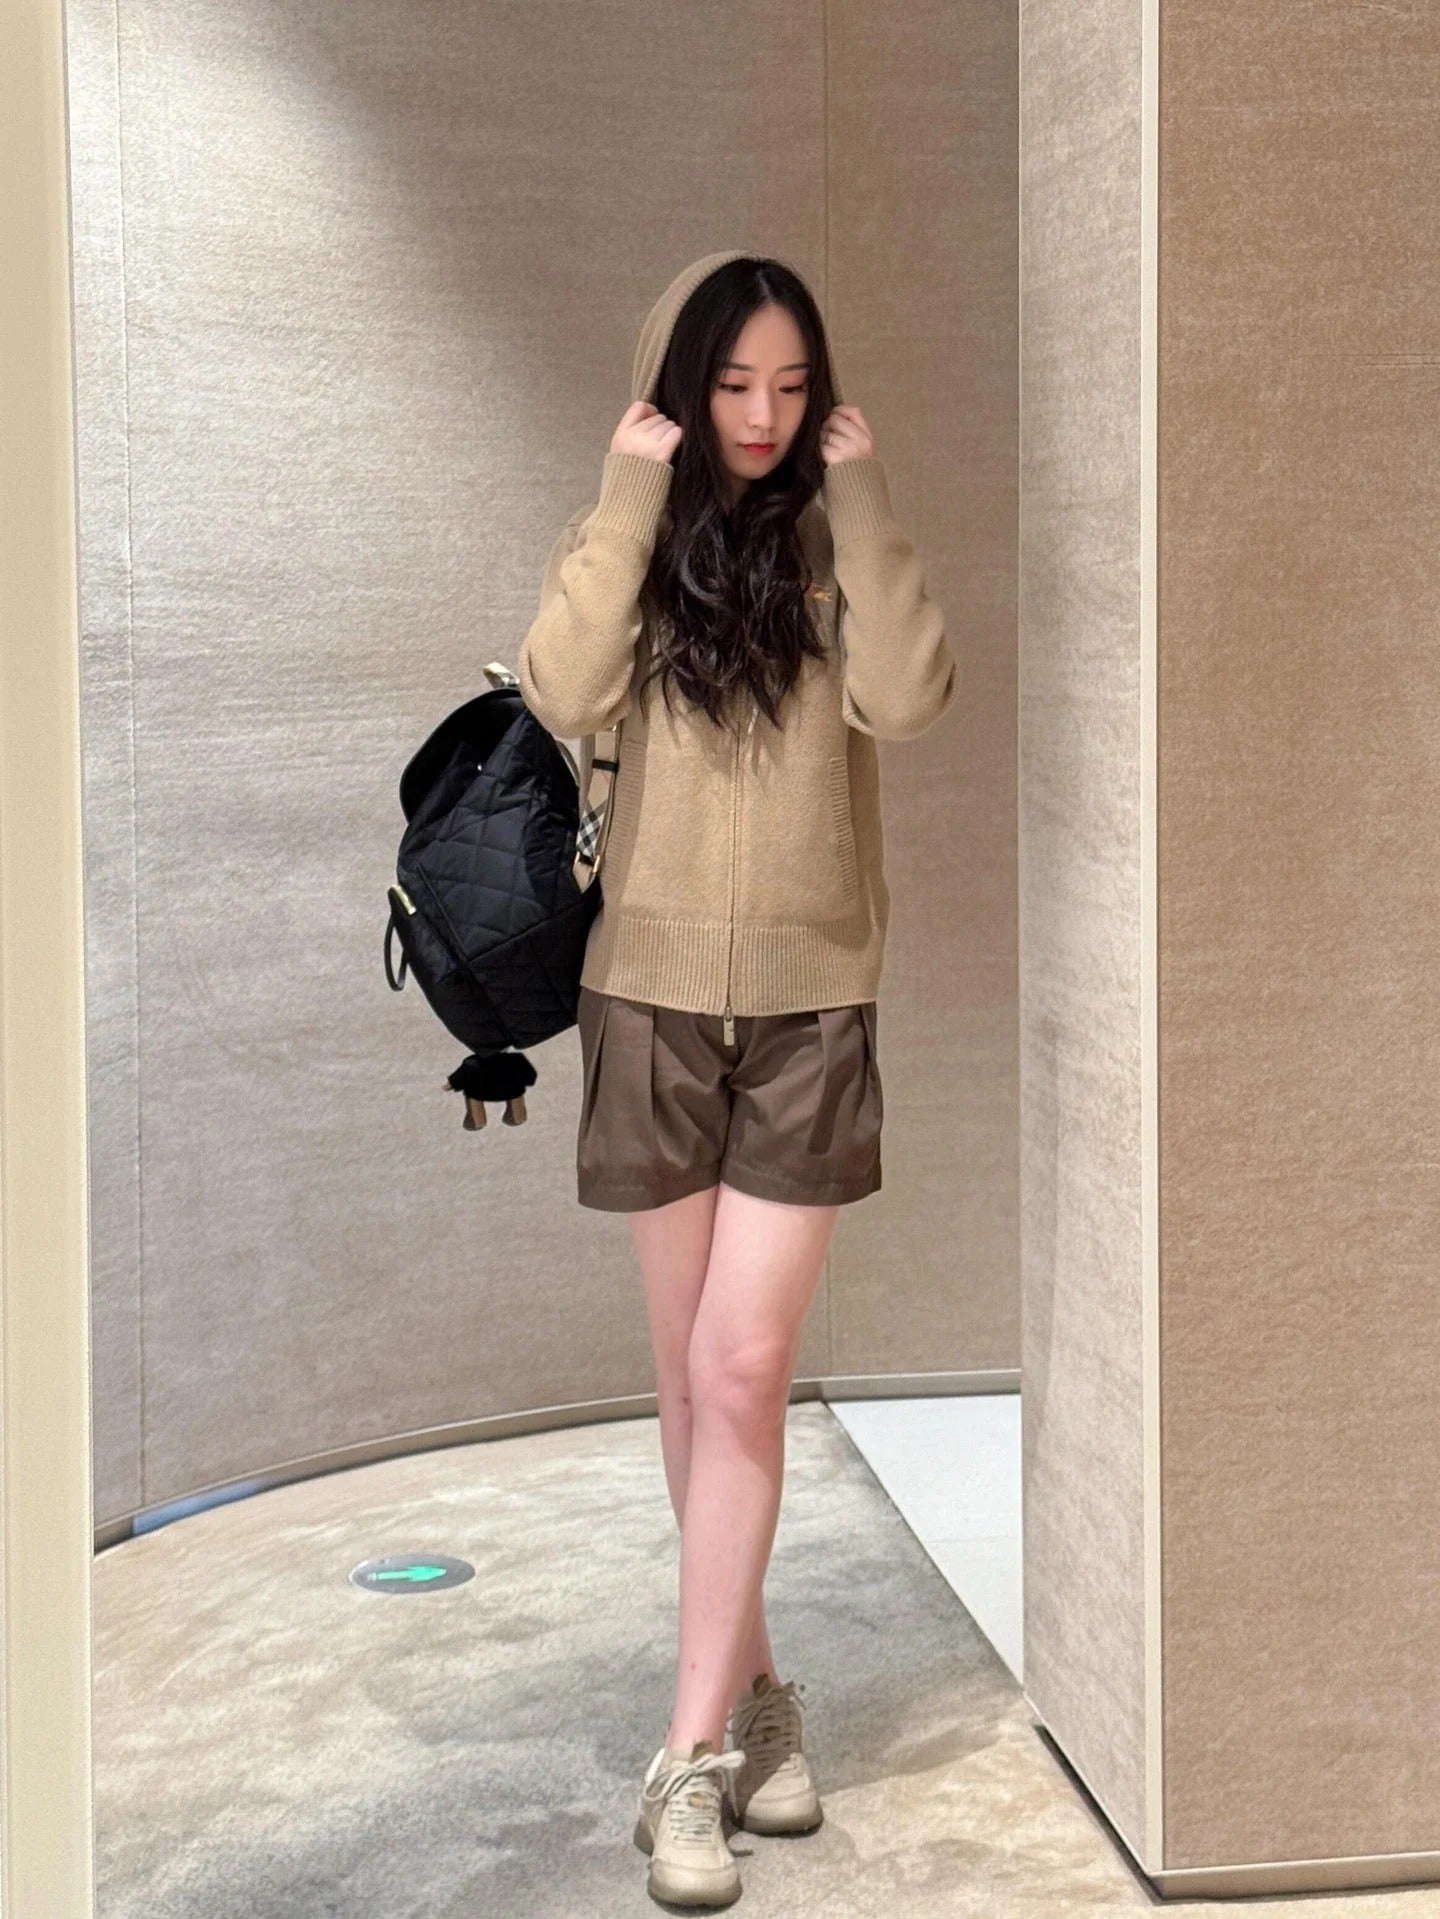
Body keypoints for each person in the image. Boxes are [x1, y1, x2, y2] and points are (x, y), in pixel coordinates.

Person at [518, 250, 958, 1908]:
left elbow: (909, 698)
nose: (765, 416)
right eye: (732, 385)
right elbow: (562, 687)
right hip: (644, 998)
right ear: (681, 384)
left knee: (744, 1364)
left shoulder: (837, 547)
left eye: (790, 384)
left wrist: (867, 495)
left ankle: (687, 1757)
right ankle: (763, 1701)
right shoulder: (632, 539)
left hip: (807, 1008)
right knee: (695, 1383)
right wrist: (629, 493)